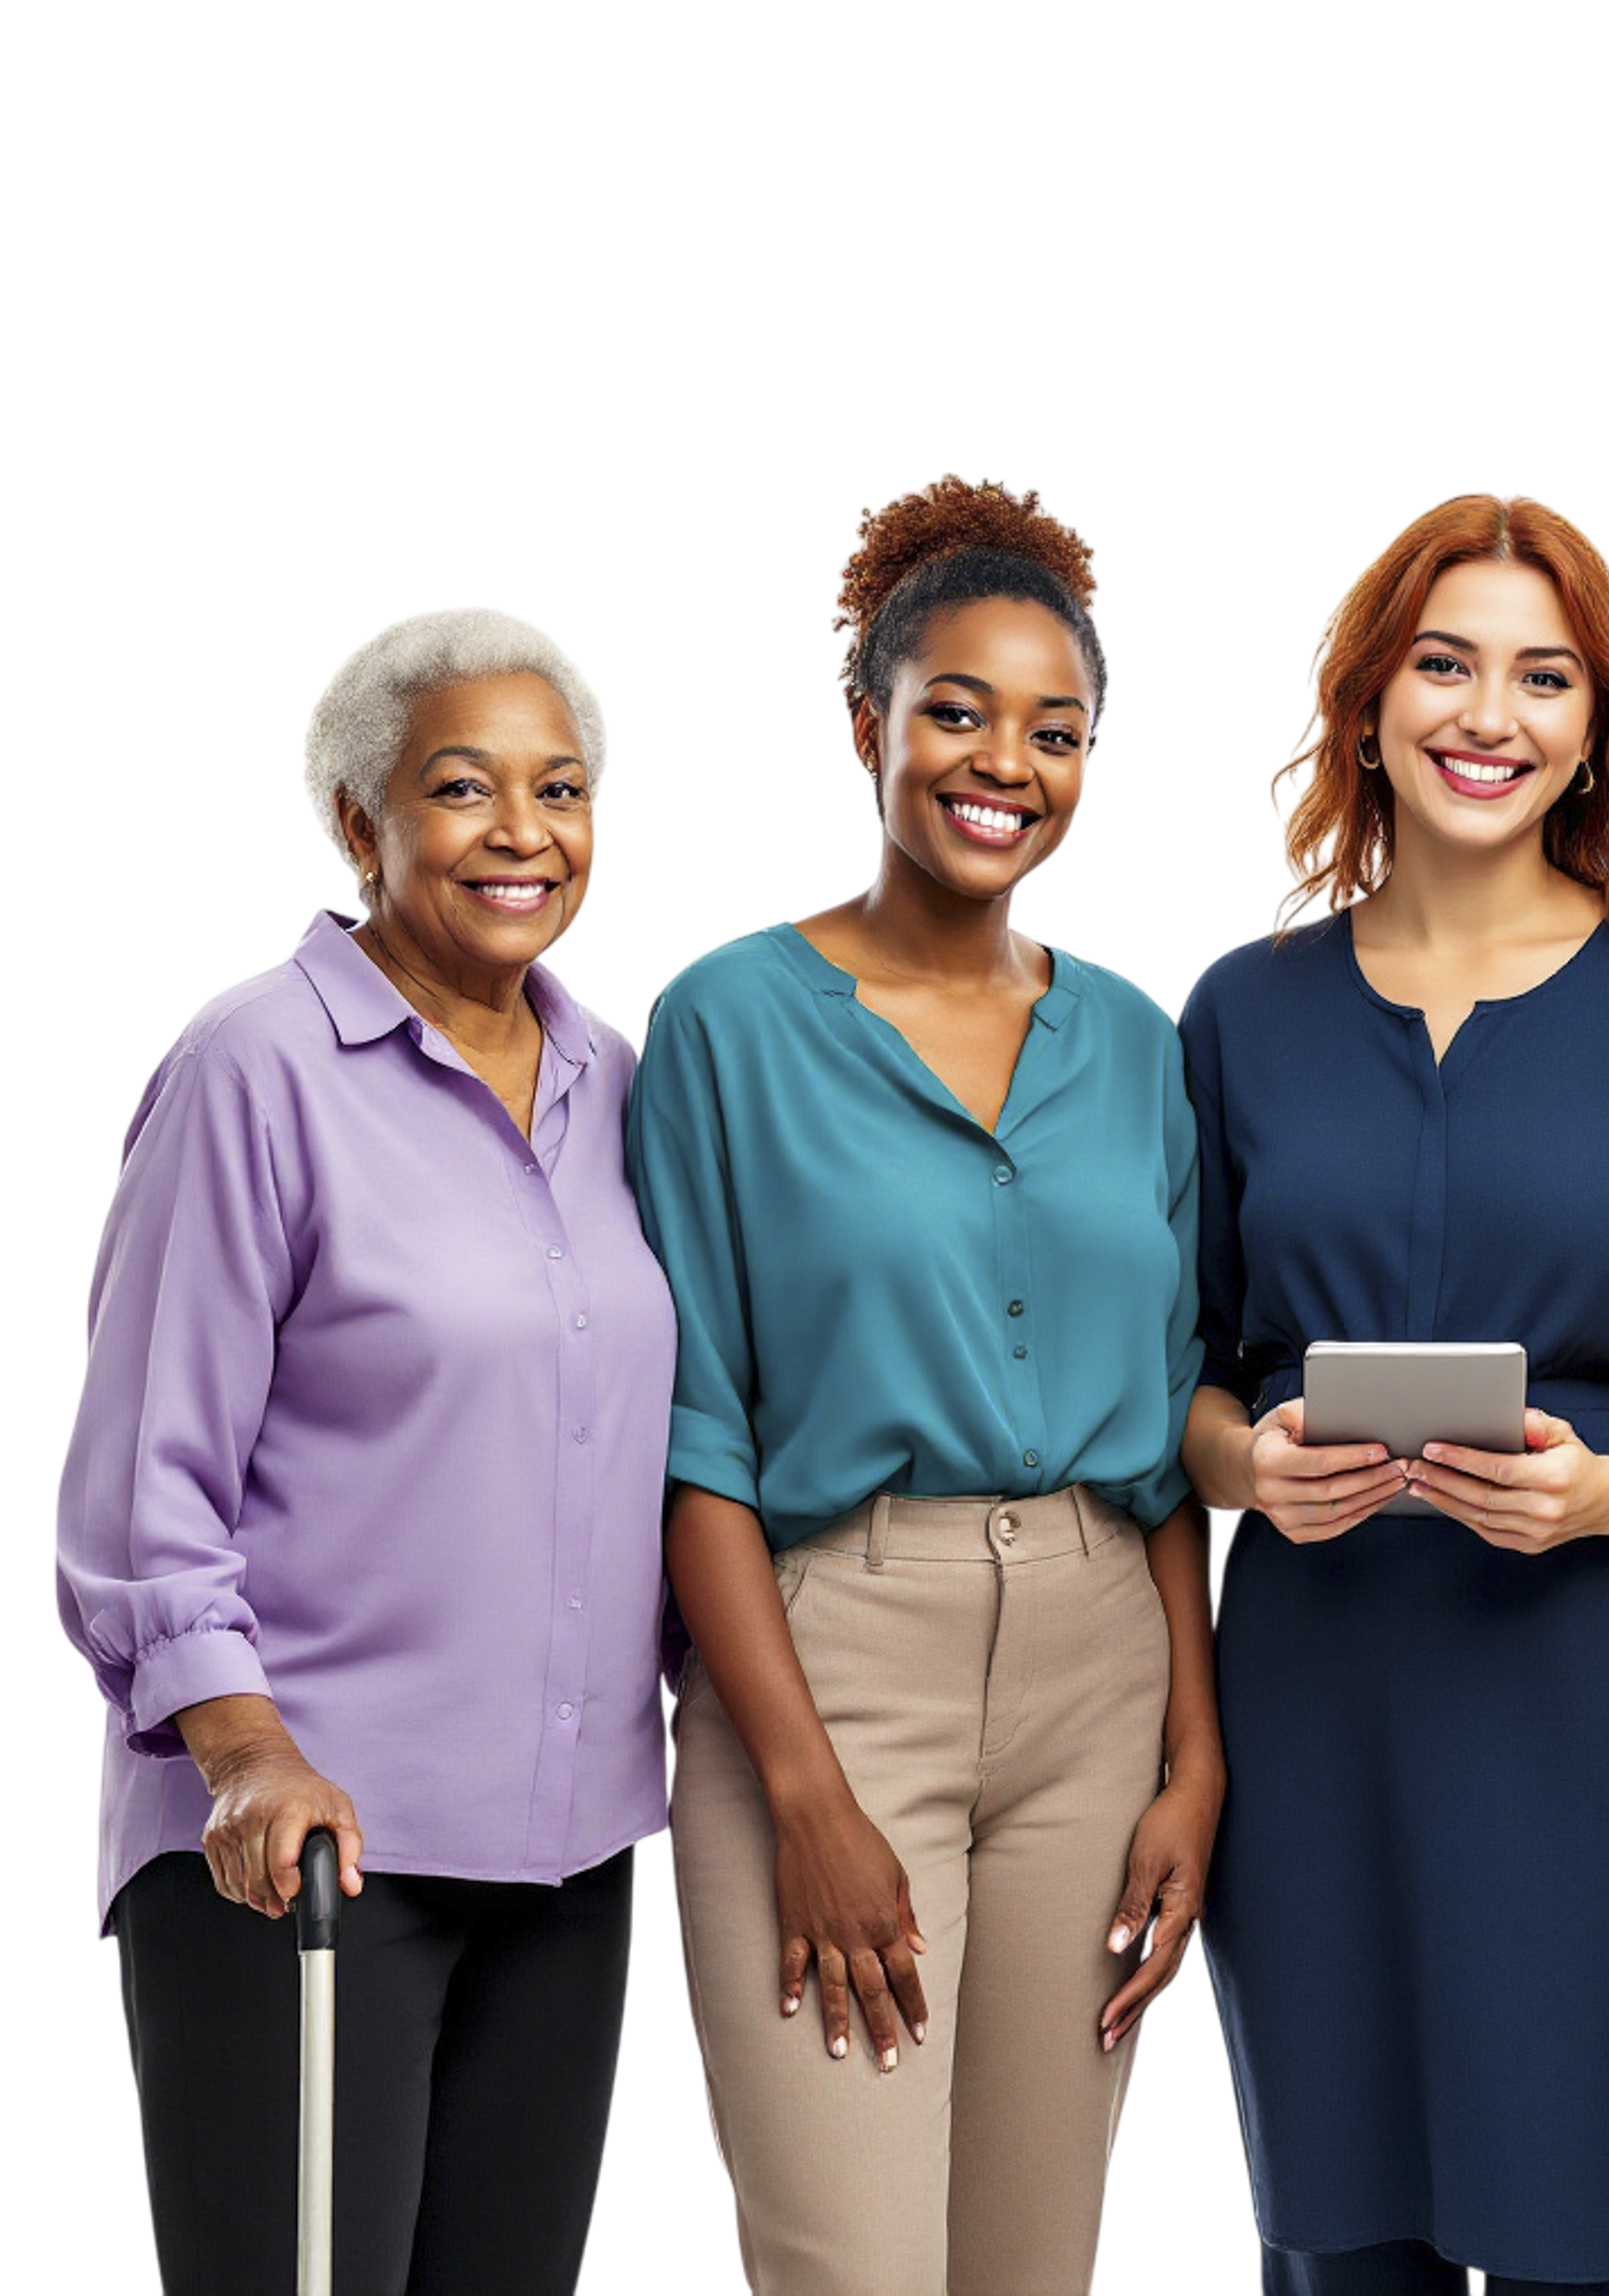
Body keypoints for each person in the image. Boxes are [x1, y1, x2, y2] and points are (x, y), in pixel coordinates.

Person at [1179, 494, 1609, 2295]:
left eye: (1544, 676)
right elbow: (1177, 1376)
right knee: (1335, 2239)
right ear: (1364, 699)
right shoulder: (1240, 1012)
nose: (1490, 713)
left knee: (1589, 2233)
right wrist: (1249, 1467)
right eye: (1444, 662)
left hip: (1598, 1731)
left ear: (1595, 725)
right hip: (1309, 1730)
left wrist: (1608, 1495)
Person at [625, 479, 1224, 2296]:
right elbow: (698, 1441)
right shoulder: (720, 1021)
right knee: (847, 2258)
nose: (1005, 762)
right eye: (957, 708)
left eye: (1055, 729)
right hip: (830, 1653)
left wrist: (1197, 1762)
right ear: (861, 722)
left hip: (1098, 1664)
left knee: (1032, 2261)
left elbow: (1167, 1433)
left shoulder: (1136, 1036)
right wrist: (801, 1787)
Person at [52, 611, 678, 2294]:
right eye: (463, 787)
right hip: (308, 1848)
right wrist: (245, 1747)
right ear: (355, 822)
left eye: (561, 790)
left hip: (568, 1840)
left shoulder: (621, 1069)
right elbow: (138, 1477)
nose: (523, 833)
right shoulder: (250, 1065)